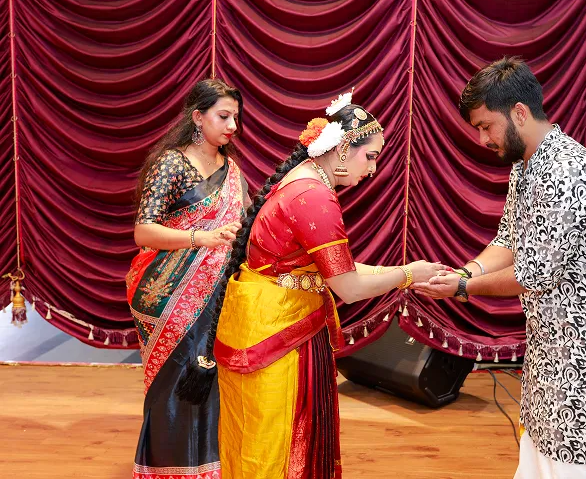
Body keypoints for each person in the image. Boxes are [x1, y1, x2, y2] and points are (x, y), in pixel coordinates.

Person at [415, 57, 586, 478]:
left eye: (486, 126)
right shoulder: (527, 164)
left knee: (582, 463)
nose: (482, 138)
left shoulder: (565, 170)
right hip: (561, 343)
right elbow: (508, 240)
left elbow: (533, 273)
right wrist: (466, 272)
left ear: (519, 112)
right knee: (548, 456)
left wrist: (462, 288)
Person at [178, 92, 446, 479]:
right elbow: (348, 287)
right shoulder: (314, 196)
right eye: (370, 157)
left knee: (252, 440)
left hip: (264, 324)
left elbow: (337, 269)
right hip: (279, 335)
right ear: (343, 149)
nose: (372, 170)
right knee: (274, 447)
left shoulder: (300, 179)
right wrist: (408, 275)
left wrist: (406, 269)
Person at [126, 78, 248, 479]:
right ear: (198, 117)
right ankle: (168, 470)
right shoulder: (172, 163)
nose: (233, 126)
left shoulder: (231, 169)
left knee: (214, 381)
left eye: (236, 117)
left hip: (219, 294)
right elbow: (144, 232)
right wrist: (201, 238)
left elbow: (245, 223)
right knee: (178, 381)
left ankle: (210, 469)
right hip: (169, 295)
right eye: (223, 116)